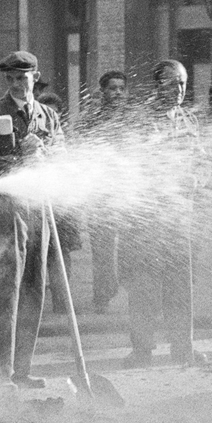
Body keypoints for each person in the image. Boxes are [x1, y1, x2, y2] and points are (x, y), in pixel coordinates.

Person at [0, 50, 62, 386]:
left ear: (35, 78)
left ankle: (22, 369)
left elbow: (63, 157)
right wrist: (16, 160)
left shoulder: (48, 116)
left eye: (22, 78)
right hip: (3, 214)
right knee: (3, 291)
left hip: (38, 212)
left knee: (33, 289)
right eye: (9, 79)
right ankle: (0, 372)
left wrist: (46, 157)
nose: (15, 85)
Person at [119, 59, 204, 368]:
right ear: (157, 86)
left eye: (182, 84)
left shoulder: (189, 121)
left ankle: (183, 348)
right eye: (171, 84)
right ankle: (142, 351)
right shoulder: (139, 121)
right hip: (146, 222)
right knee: (144, 288)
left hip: (180, 218)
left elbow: (201, 162)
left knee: (181, 288)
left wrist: (199, 178)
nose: (178, 90)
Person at [85, 70, 128, 311]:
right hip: (101, 195)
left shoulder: (133, 118)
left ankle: (135, 296)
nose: (118, 93)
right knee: (102, 250)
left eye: (122, 88)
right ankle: (101, 297)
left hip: (128, 193)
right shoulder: (92, 119)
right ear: (103, 92)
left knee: (130, 248)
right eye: (113, 88)